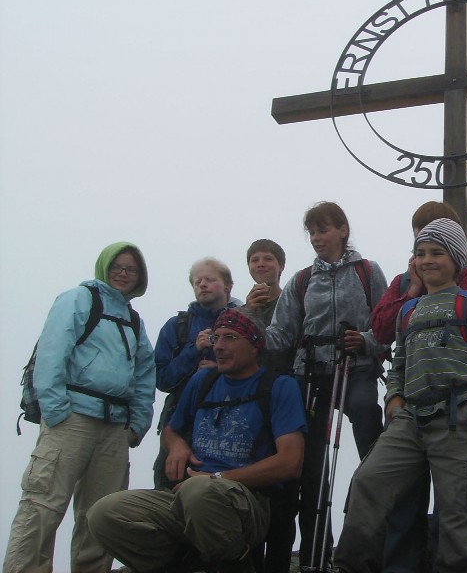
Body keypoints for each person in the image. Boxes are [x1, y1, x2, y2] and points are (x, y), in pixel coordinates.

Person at [334, 218, 467, 573]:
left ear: (457, 259)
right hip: (409, 420)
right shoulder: (408, 310)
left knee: (459, 510)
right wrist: (395, 403)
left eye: (437, 253)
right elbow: (399, 363)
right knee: (368, 481)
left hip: (459, 419)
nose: (427, 260)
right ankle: (352, 565)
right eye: (420, 253)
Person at [87, 308, 306, 573]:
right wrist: (176, 445)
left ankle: (236, 565)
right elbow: (171, 429)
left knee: (197, 492)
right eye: (216, 339)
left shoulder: (280, 387)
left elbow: (290, 462)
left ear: (255, 345)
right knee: (104, 513)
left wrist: (217, 479)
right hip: (188, 497)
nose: (219, 347)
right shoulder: (203, 380)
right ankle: (182, 565)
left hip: (248, 502)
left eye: (230, 338)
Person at [3, 242, 156, 573]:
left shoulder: (133, 320)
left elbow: (145, 375)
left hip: (114, 428)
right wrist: (57, 411)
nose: (124, 274)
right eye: (117, 266)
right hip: (71, 419)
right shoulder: (79, 298)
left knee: (101, 516)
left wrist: (137, 426)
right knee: (43, 505)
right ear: (104, 267)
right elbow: (51, 353)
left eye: (131, 269)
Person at [263, 201, 387, 571]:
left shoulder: (368, 271)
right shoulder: (301, 280)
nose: (317, 238)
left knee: (367, 417)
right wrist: (247, 327)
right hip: (311, 372)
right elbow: (280, 334)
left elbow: (385, 325)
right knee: (310, 464)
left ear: (342, 230)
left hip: (357, 368)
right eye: (313, 231)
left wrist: (365, 341)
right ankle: (317, 552)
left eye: (324, 229)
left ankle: (369, 485)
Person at [370, 201, 467, 572]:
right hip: (411, 399)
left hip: (458, 402)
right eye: (419, 232)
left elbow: (464, 312)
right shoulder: (401, 281)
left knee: (455, 496)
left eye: (435, 233)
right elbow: (381, 329)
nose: (425, 248)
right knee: (405, 491)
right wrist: (415, 290)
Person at [152, 257, 242, 490]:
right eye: (197, 281)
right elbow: (161, 379)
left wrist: (218, 371)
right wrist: (194, 350)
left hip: (229, 423)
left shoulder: (244, 324)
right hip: (180, 424)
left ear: (228, 286)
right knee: (168, 491)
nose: (202, 285)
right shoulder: (177, 326)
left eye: (210, 280)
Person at [244, 238, 299, 572]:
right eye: (254, 260)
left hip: (284, 395)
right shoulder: (241, 306)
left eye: (268, 259)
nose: (261, 264)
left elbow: (284, 346)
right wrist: (248, 311)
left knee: (284, 493)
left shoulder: (292, 300)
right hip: (249, 401)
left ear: (281, 265)